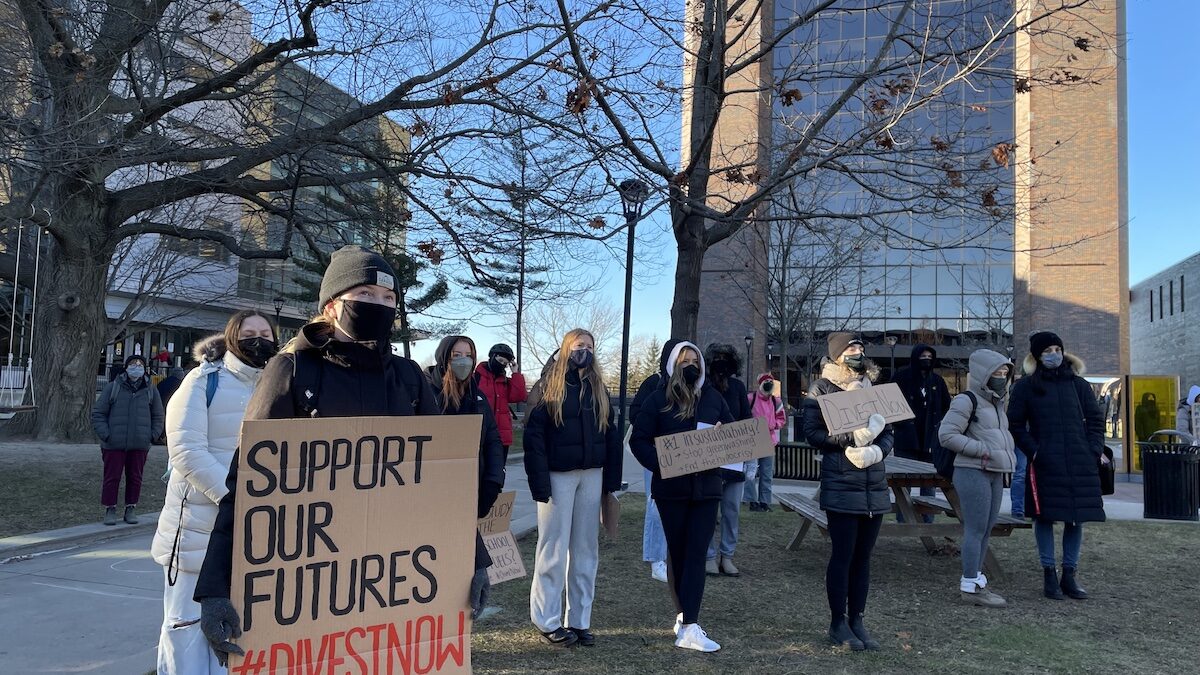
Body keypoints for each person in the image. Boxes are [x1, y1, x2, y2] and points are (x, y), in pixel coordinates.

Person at [193, 245, 441, 665]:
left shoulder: (408, 378)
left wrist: (472, 557)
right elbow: (251, 483)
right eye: (365, 294)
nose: (378, 305)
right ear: (331, 305)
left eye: (388, 299)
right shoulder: (293, 370)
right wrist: (216, 586)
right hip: (314, 572)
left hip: (391, 572)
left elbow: (438, 478)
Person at [151, 312, 276, 674]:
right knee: (185, 628)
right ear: (232, 337)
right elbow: (187, 451)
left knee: (232, 629)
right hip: (197, 529)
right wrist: (236, 498)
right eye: (249, 333)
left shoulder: (277, 382)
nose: (258, 339)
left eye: (265, 333)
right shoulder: (202, 380)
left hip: (250, 529)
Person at [630, 341, 733, 653]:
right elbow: (639, 440)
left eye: (695, 360)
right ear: (672, 364)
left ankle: (691, 624)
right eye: (684, 360)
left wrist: (723, 441)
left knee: (696, 553)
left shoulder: (713, 397)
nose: (690, 365)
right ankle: (683, 617)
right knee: (679, 551)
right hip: (672, 491)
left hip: (707, 489)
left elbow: (733, 435)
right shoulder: (658, 399)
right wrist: (662, 464)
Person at [523, 329, 622, 648]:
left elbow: (612, 436)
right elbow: (534, 439)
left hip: (591, 474)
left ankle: (579, 620)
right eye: (580, 346)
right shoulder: (546, 387)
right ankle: (546, 618)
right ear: (566, 349)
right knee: (553, 547)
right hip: (557, 476)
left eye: (591, 346)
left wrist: (611, 483)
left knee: (585, 550)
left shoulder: (598, 389)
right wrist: (539, 482)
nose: (586, 351)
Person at [802, 332, 892, 651]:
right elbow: (812, 434)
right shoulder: (822, 388)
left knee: (864, 558)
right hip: (842, 482)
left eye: (861, 347)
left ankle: (858, 620)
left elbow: (889, 430)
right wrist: (850, 440)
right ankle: (837, 623)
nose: (858, 351)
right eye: (851, 348)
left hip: (874, 484)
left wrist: (877, 451)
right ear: (837, 354)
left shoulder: (874, 388)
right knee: (843, 556)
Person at [1008, 331, 1106, 601]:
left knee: (1076, 518)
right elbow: (1015, 424)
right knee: (1045, 517)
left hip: (1079, 461)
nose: (1054, 354)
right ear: (1038, 356)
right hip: (1046, 462)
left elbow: (1096, 421)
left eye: (1057, 348)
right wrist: (1035, 451)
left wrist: (1093, 449)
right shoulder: (1026, 387)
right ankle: (1049, 574)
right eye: (1048, 350)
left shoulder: (1079, 385)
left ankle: (1070, 575)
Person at [426, 335, 508, 619]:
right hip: (434, 497)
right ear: (444, 356)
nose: (463, 360)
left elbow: (493, 440)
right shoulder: (427, 392)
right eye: (457, 354)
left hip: (471, 491)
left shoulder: (479, 395)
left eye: (469, 354)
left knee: (465, 564)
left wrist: (493, 481)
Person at [937, 349, 1017, 608]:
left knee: (985, 530)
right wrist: (982, 451)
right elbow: (947, 435)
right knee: (975, 529)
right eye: (997, 372)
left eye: (1005, 372)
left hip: (994, 471)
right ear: (984, 373)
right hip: (973, 471)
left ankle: (976, 582)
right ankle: (969, 585)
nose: (1002, 377)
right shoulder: (966, 400)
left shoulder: (998, 403)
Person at [629, 338, 684, 584]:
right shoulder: (653, 384)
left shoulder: (689, 386)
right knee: (655, 505)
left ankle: (671, 552)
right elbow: (636, 415)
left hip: (683, 457)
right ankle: (655, 558)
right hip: (657, 454)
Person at [91, 354, 165, 526]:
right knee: (112, 477)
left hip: (139, 443)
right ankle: (110, 509)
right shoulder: (113, 387)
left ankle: (131, 508)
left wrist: (152, 435)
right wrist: (106, 434)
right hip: (114, 443)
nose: (136, 367)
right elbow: (98, 413)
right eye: (133, 364)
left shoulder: (150, 389)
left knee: (135, 477)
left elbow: (158, 415)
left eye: (140, 364)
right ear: (126, 367)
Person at [703, 343, 753, 577]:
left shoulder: (738, 387)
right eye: (717, 358)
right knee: (709, 511)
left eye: (726, 358)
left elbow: (746, 419)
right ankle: (709, 556)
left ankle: (728, 555)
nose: (721, 362)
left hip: (734, 457)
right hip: (708, 459)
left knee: (731, 509)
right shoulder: (703, 387)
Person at [891, 343, 950, 520]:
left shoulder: (937, 381)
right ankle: (903, 520)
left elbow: (946, 407)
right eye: (923, 357)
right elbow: (889, 404)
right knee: (904, 483)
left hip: (930, 441)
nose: (926, 360)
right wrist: (900, 425)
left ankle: (927, 520)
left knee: (929, 483)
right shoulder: (901, 377)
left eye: (929, 357)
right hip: (906, 440)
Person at [475, 343, 528, 460]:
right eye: (499, 360)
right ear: (492, 357)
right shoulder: (476, 378)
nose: (501, 364)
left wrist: (515, 373)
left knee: (498, 473)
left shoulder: (505, 382)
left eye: (504, 363)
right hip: (480, 434)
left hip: (501, 436)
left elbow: (519, 396)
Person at [745, 373, 787, 512]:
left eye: (771, 381)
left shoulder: (776, 401)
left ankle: (764, 501)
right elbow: (744, 416)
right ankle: (751, 500)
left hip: (769, 441)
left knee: (766, 473)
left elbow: (782, 418)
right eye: (766, 381)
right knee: (750, 473)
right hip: (752, 440)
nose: (769, 383)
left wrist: (774, 424)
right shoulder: (750, 398)